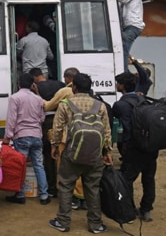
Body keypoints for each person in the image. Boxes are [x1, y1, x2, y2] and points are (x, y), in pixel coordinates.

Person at [49, 73, 113, 234]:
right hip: (95, 155)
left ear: (74, 87)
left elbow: (57, 128)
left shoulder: (65, 104)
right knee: (92, 188)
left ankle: (63, 222)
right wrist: (107, 151)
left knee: (66, 186)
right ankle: (95, 224)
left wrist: (55, 146)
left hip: (72, 153)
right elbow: (106, 131)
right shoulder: (100, 105)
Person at [112, 72, 156, 222]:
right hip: (151, 147)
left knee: (127, 179)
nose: (116, 85)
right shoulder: (144, 100)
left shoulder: (120, 105)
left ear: (122, 86)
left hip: (133, 148)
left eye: (118, 83)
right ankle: (146, 210)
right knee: (149, 178)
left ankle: (129, 209)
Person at [42, 67, 86, 208]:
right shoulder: (90, 97)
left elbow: (49, 108)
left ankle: (70, 199)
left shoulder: (65, 92)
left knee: (66, 169)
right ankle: (83, 198)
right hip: (86, 136)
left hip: (68, 137)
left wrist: (37, 97)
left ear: (68, 79)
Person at [4, 73, 50, 205]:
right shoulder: (38, 99)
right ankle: (44, 196)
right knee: (39, 165)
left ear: (18, 84)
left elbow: (12, 119)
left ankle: (20, 194)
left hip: (22, 136)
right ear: (32, 85)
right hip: (36, 136)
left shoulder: (15, 98)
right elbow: (42, 118)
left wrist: (8, 136)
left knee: (21, 166)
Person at [30, 67, 65, 197]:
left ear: (34, 77)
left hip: (46, 122)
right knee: (61, 153)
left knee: (48, 155)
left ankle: (51, 188)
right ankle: (63, 185)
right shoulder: (60, 84)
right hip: (61, 120)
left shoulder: (35, 88)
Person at [116, 0, 145, 73]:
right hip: (129, 27)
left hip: (133, 26)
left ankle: (124, 73)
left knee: (123, 49)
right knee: (121, 49)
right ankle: (124, 72)